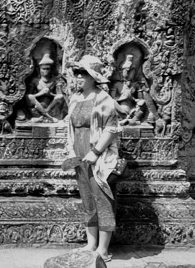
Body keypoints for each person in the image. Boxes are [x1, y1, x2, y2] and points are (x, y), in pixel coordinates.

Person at [63, 55, 120, 263]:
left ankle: (103, 249)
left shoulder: (103, 98)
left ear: (92, 77)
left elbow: (111, 129)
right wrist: (71, 151)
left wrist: (95, 152)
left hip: (98, 155)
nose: (78, 77)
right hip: (79, 153)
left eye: (83, 74)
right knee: (87, 198)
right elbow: (70, 128)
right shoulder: (75, 98)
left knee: (102, 198)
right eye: (77, 73)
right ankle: (91, 244)